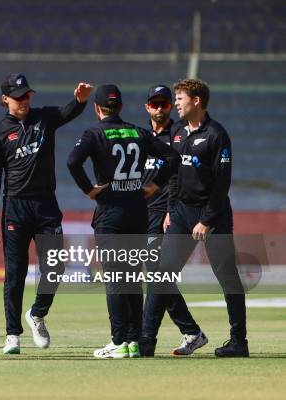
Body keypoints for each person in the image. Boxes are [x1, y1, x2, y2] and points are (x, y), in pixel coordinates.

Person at [67, 84, 178, 359]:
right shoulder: (139, 132)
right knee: (131, 279)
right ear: (121, 107)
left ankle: (118, 341)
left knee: (116, 279)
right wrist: (154, 185)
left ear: (96, 108)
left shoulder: (94, 133)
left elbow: (72, 162)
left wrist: (89, 190)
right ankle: (133, 341)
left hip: (111, 214)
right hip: (139, 212)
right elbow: (171, 156)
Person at [0, 73, 93, 354]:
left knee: (55, 267)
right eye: (18, 96)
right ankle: (12, 334)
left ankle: (37, 313)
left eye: (27, 95)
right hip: (15, 209)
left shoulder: (44, 118)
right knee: (15, 273)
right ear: (5, 99)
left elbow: (68, 112)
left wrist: (79, 100)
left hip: (46, 206)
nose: (24, 100)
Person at [144, 78, 248, 357]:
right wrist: (169, 210)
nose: (175, 104)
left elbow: (222, 183)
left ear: (196, 101)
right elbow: (175, 175)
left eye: (179, 99)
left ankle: (239, 342)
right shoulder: (177, 133)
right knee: (161, 274)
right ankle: (146, 341)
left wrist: (207, 220)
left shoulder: (217, 134)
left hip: (212, 216)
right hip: (180, 213)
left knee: (227, 277)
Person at [139, 85, 205, 357]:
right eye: (154, 104)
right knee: (157, 279)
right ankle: (191, 332)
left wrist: (171, 209)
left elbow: (180, 176)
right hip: (142, 215)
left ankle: (147, 338)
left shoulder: (178, 135)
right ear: (147, 107)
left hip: (166, 216)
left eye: (165, 104)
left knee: (158, 277)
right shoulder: (141, 137)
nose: (160, 108)